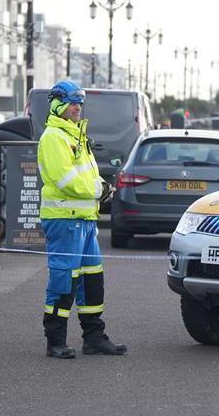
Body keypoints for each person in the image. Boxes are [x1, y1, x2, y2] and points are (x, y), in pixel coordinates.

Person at [38, 80, 127, 359]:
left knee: (92, 280)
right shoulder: (54, 137)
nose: (77, 107)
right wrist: (97, 190)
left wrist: (103, 186)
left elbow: (86, 175)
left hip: (85, 220)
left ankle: (94, 338)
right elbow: (65, 180)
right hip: (64, 219)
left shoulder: (75, 135)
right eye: (72, 102)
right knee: (64, 280)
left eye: (79, 102)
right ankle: (55, 340)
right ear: (58, 105)